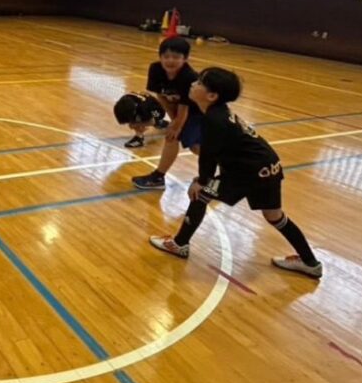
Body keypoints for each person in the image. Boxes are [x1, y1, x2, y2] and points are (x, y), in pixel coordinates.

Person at [149, 66, 323, 278]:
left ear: (212, 96)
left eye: (200, 83)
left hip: (248, 172)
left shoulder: (213, 119)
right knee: (274, 216)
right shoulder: (219, 113)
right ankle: (310, 262)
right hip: (269, 166)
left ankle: (179, 244)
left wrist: (202, 181)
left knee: (199, 194)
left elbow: (209, 156)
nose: (193, 84)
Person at [132, 37, 203, 189]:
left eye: (176, 57)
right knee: (172, 137)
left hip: (199, 112)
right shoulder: (156, 69)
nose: (170, 61)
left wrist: (177, 125)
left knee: (196, 147)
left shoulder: (189, 77)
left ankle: (225, 170)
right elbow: (161, 95)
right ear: (160, 57)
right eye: (166, 56)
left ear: (185, 58)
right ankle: (158, 177)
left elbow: (185, 105)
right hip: (179, 111)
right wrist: (173, 120)